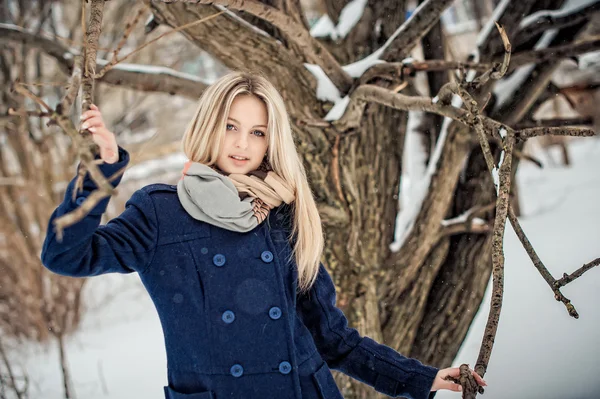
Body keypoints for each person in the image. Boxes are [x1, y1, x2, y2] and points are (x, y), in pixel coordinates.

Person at [41, 71, 486, 399]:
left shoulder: (282, 212)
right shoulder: (160, 212)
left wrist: (419, 377)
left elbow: (334, 340)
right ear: (209, 124)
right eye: (231, 126)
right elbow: (67, 255)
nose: (242, 144)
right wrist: (101, 169)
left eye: (257, 133)